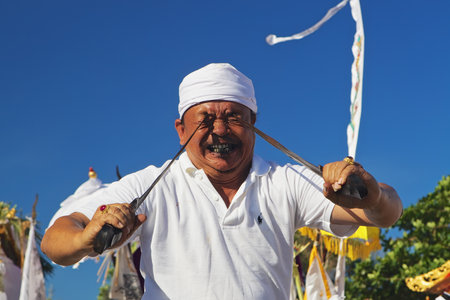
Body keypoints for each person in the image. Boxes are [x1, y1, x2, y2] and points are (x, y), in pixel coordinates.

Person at [41, 63, 402, 299]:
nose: (219, 130)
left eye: (234, 117)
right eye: (204, 120)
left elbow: (386, 213)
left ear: (254, 124)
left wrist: (369, 195)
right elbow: (55, 241)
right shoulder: (153, 186)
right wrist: (86, 237)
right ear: (180, 129)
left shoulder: (284, 181)